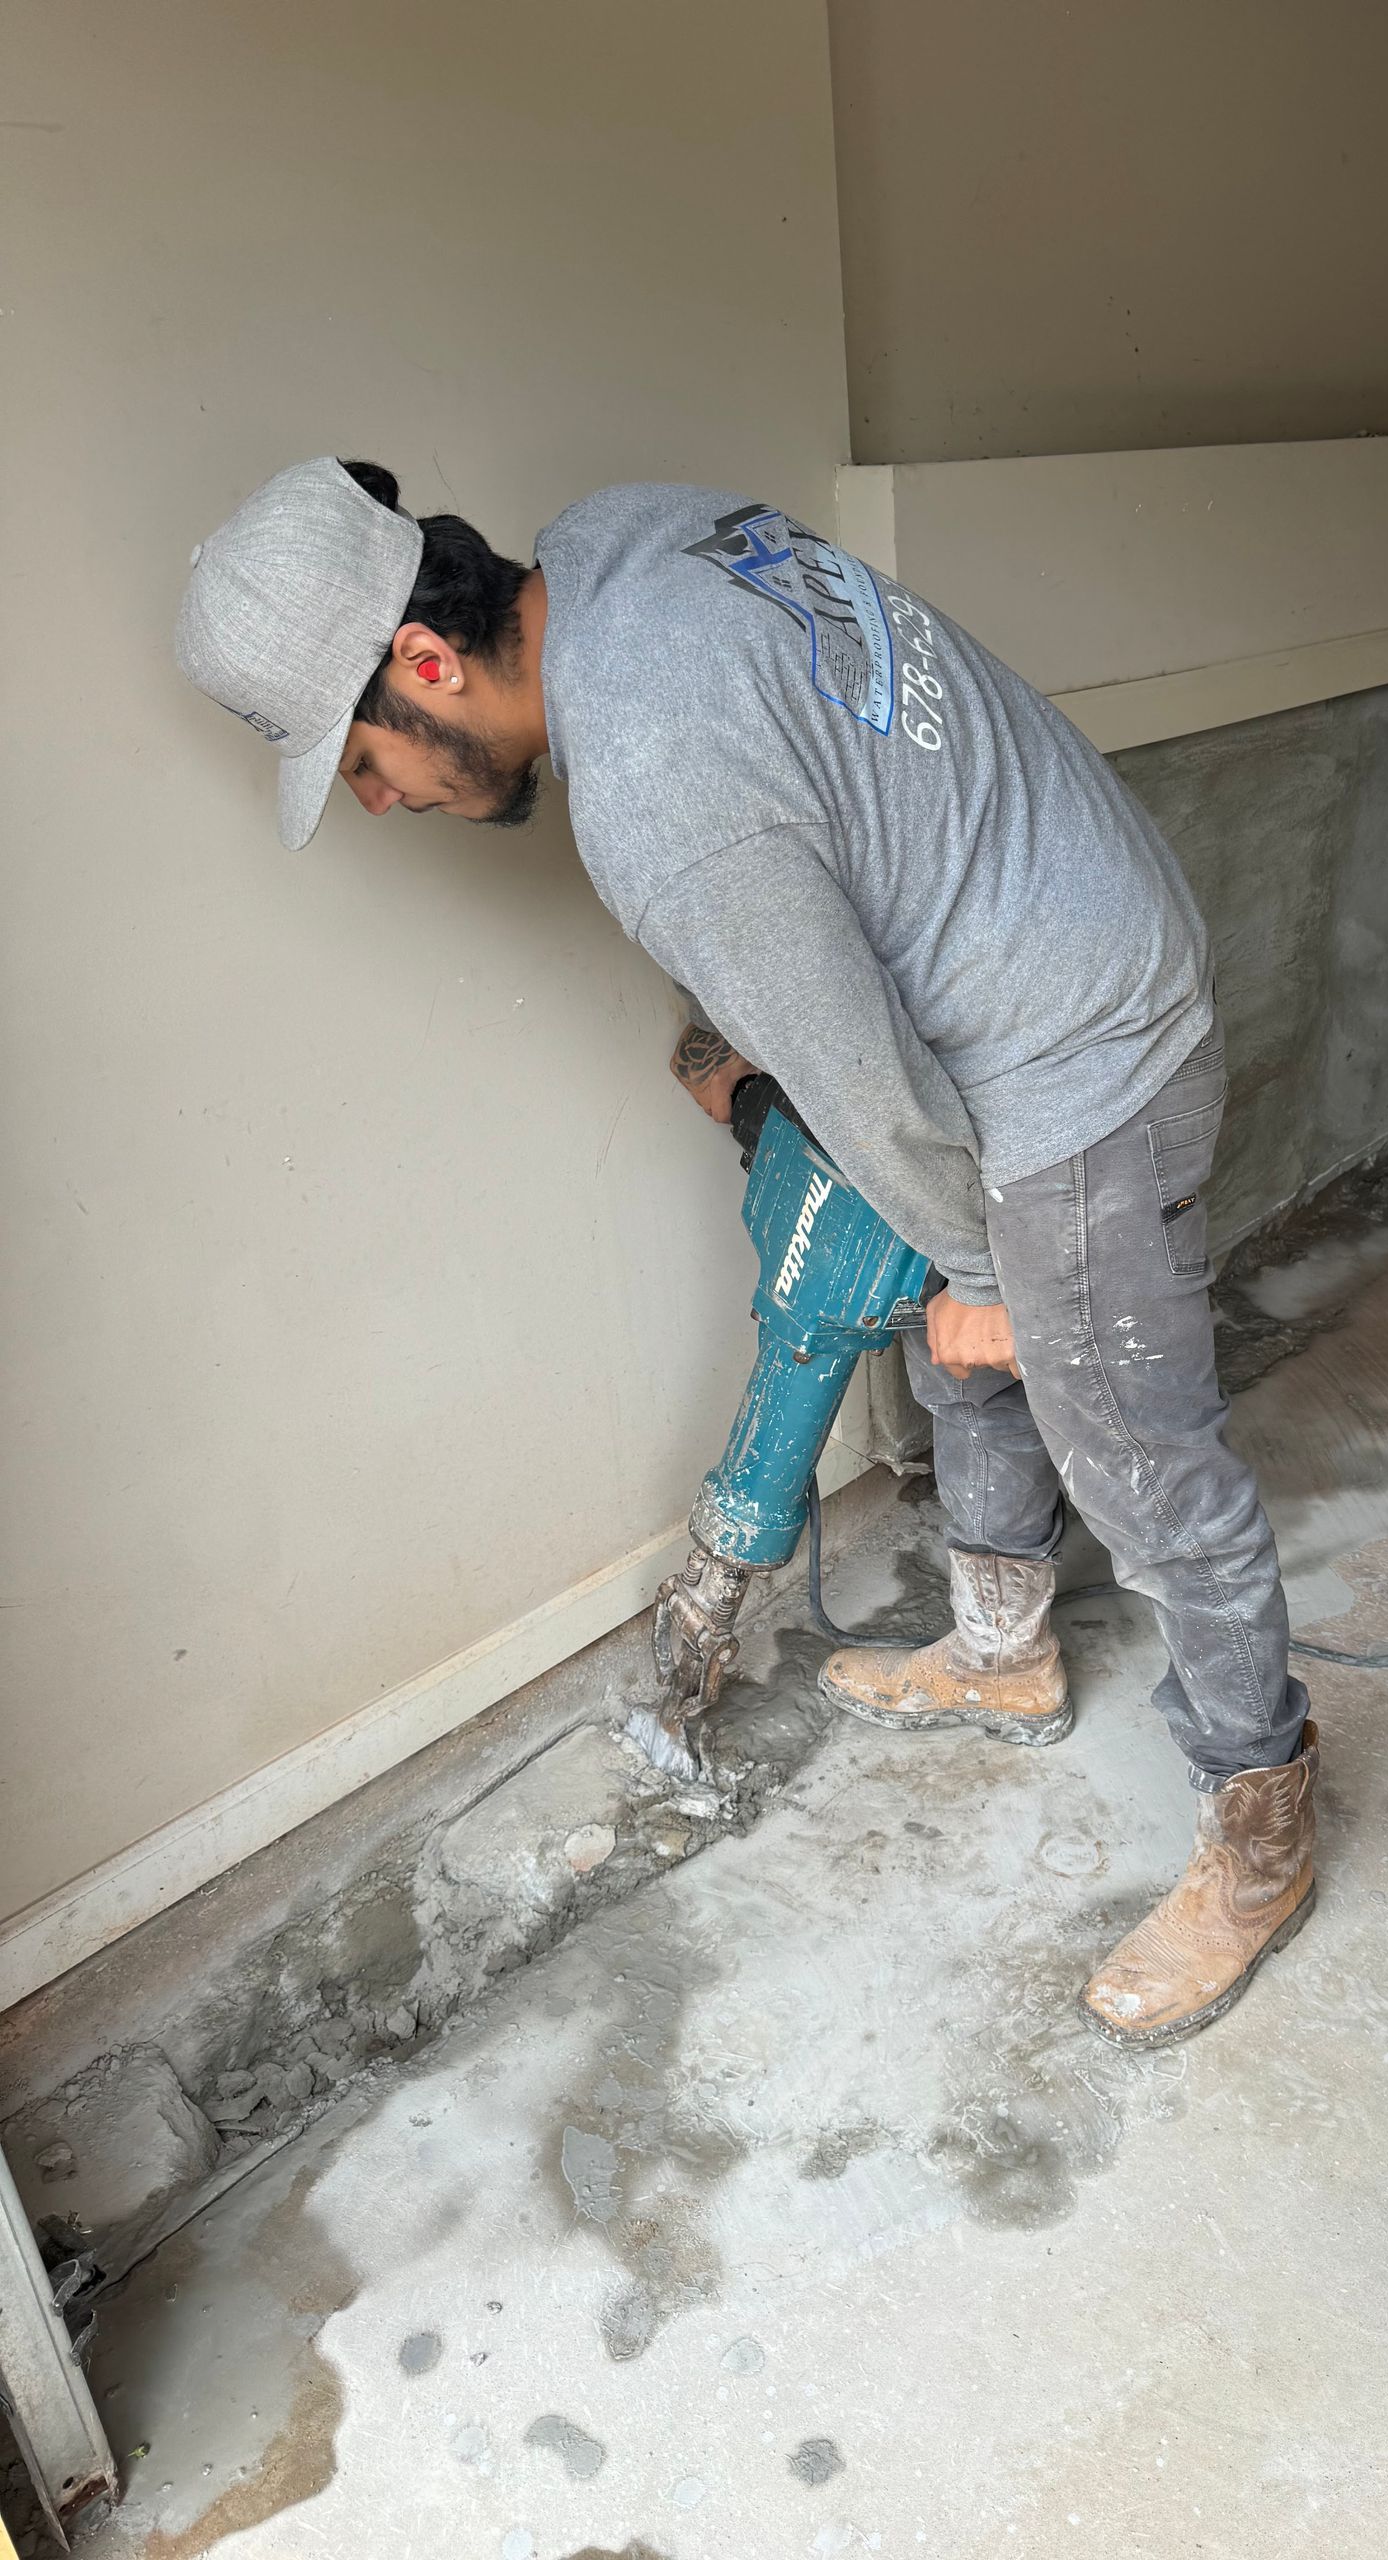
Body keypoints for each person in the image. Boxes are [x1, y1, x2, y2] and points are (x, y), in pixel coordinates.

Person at [175, 457, 1319, 2046]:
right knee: (949, 1305)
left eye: (363, 760)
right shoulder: (613, 539)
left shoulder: (652, 798)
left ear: (425, 667)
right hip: (1068, 912)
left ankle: (1260, 1829)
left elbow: (861, 1083)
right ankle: (1004, 1656)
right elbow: (807, 807)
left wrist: (990, 1272)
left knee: (1135, 1446)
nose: (381, 802)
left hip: (1079, 1049)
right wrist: (948, 1255)